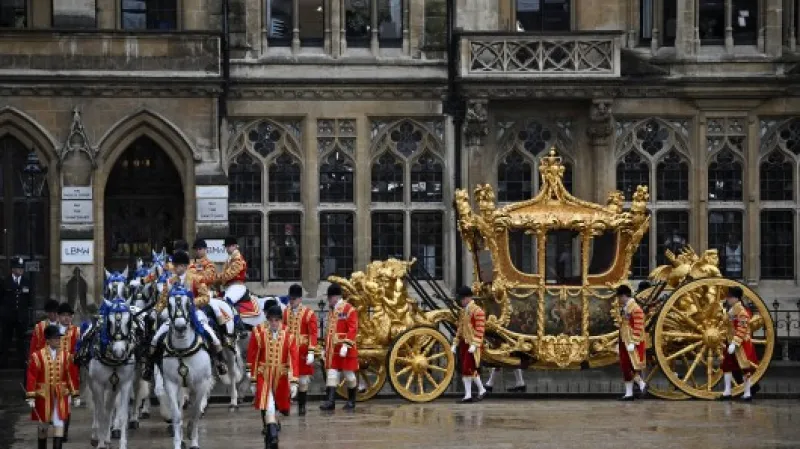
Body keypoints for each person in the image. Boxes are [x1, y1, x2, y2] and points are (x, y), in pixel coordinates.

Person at [142, 251, 227, 382]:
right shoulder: (170, 281)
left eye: (179, 266)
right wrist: (155, 311)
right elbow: (163, 300)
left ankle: (219, 362)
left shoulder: (196, 279)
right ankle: (150, 366)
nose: (176, 268)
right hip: (175, 316)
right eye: (175, 266)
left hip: (194, 312)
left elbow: (205, 297)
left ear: (185, 266)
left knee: (212, 336)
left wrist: (191, 303)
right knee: (155, 338)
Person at [246, 306, 299, 449]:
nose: (274, 323)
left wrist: (294, 381)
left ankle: (271, 434)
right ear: (268, 320)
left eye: (276, 320)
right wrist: (253, 378)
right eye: (271, 320)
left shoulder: (289, 336)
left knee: (279, 405)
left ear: (280, 320)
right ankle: (274, 437)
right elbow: (255, 357)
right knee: (268, 405)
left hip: (281, 376)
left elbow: (293, 358)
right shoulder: (260, 334)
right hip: (264, 374)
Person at [26, 325, 78, 449]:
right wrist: (31, 396)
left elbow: (70, 374)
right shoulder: (37, 356)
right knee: (43, 427)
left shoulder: (66, 355)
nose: (58, 341)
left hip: (60, 396)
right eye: (55, 338)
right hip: (43, 397)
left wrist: (75, 393)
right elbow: (32, 377)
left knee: (59, 423)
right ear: (47, 340)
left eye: (59, 338)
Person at [319, 283, 359, 411]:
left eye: (329, 298)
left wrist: (346, 345)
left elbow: (353, 329)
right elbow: (328, 332)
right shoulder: (332, 311)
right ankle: (330, 401)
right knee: (331, 374)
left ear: (334, 297)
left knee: (349, 376)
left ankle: (352, 401)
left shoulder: (349, 309)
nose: (328, 301)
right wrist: (325, 349)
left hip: (344, 349)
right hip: (333, 350)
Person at [282, 284, 318, 416]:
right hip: (289, 351)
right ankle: (285, 405)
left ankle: (302, 406)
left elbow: (313, 334)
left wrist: (311, 351)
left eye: (294, 299)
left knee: (302, 380)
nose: (291, 301)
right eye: (290, 299)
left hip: (302, 351)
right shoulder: (285, 312)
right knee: (287, 378)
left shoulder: (309, 313)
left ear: (300, 299)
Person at [721, 286, 758, 401]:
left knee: (745, 368)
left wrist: (735, 343)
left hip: (741, 344)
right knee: (727, 366)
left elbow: (742, 328)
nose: (728, 299)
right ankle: (727, 392)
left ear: (736, 298)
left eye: (730, 297)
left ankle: (747, 393)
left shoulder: (743, 312)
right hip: (730, 342)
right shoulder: (731, 310)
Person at [451, 286, 487, 403]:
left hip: (473, 344)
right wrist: (455, 343)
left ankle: (471, 394)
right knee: (467, 369)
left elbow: (480, 330)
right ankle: (478, 391)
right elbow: (460, 329)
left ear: (467, 298)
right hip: (465, 343)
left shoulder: (478, 311)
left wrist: (475, 345)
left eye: (461, 299)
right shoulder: (463, 312)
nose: (460, 301)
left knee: (468, 369)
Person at [617, 284, 647, 400]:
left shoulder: (636, 309)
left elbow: (639, 326)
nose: (618, 300)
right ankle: (629, 392)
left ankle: (641, 383)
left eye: (619, 297)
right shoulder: (625, 308)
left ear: (624, 296)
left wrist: (633, 342)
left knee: (631, 365)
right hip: (624, 340)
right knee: (625, 366)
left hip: (632, 342)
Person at [1, 257, 33, 365]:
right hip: (8, 316)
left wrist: (26, 312)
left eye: (21, 268)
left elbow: (30, 299)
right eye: (18, 268)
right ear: (13, 269)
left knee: (21, 340)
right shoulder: (5, 282)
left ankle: (21, 362)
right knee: (6, 339)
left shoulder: (27, 282)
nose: (20, 270)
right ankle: (3, 361)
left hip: (21, 316)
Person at [57, 303, 81, 441]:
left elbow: (79, 351)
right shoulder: (53, 330)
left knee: (67, 402)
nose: (66, 318)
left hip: (70, 371)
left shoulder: (77, 331)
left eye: (68, 316)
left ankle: (64, 432)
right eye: (63, 316)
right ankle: (57, 426)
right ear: (59, 317)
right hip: (54, 370)